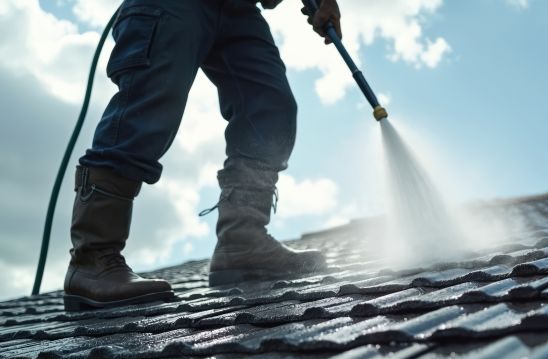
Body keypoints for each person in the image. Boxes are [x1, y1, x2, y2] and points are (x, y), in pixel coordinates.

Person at [63, 0, 341, 311]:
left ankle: (242, 240)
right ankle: (93, 258)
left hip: (238, 8)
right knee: (149, 108)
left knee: (270, 106)